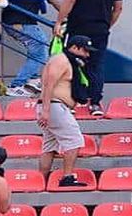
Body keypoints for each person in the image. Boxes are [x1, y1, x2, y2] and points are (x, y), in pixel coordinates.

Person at [53, 0, 122, 116]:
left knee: (72, 63)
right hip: (100, 29)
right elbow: (118, 8)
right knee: (96, 65)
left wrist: (59, 21)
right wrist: (107, 25)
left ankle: (72, 101)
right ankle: (95, 103)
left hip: (78, 28)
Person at [37, 35, 95, 187]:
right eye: (85, 51)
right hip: (54, 106)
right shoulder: (61, 60)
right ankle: (67, 177)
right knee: (74, 140)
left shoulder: (67, 61)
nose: (87, 55)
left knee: (50, 146)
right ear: (74, 47)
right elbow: (49, 84)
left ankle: (40, 181)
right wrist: (46, 110)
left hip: (54, 107)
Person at [0, 0, 60, 96]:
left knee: (36, 50)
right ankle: (17, 84)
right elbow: (56, 3)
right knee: (40, 50)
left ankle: (32, 79)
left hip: (8, 23)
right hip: (26, 23)